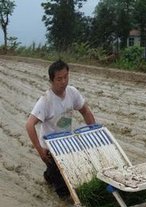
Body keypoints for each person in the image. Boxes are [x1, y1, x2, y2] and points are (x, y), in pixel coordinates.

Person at [26, 60, 96, 198]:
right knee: (64, 191)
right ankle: (54, 178)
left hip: (66, 143)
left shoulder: (72, 92)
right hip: (50, 148)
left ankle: (49, 175)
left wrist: (94, 133)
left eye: (66, 77)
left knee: (75, 175)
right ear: (52, 80)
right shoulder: (46, 101)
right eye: (59, 79)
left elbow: (86, 111)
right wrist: (40, 151)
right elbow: (29, 125)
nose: (63, 81)